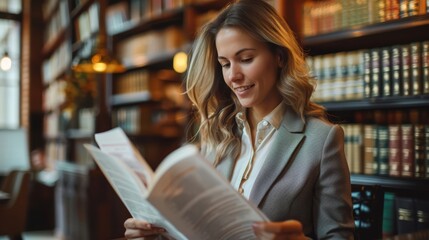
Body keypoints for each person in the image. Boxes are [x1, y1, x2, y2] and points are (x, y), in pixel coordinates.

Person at [124, 0, 355, 239]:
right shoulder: (217, 135)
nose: (233, 76)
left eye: (245, 59)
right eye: (224, 64)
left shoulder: (321, 140)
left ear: (280, 57)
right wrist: (155, 234)